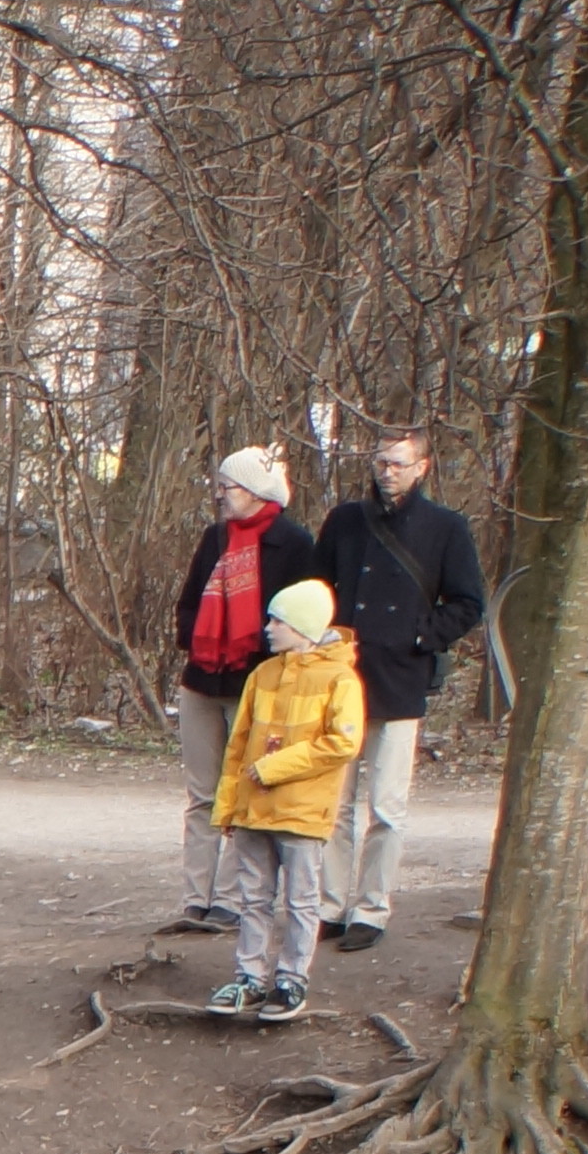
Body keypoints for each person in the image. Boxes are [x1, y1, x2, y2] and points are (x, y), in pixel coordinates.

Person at [314, 425, 488, 952]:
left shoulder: (445, 528)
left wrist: (418, 636)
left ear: (422, 467)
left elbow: (467, 602)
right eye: (381, 461)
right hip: (340, 676)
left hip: (400, 677)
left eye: (397, 463)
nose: (386, 471)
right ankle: (328, 906)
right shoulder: (345, 522)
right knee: (332, 804)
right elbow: (315, 590)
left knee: (387, 808)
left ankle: (371, 908)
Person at [164, 447, 327, 932]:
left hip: (256, 682)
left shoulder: (294, 544)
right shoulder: (214, 539)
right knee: (201, 795)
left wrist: (257, 649)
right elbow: (189, 601)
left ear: (256, 490)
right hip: (202, 678)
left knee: (243, 790)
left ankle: (232, 902)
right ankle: (195, 898)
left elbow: (303, 616)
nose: (220, 495)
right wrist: (196, 640)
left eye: (228, 486)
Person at [209, 579, 366, 1026]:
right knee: (253, 898)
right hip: (255, 811)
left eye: (278, 620)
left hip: (301, 813)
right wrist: (229, 808)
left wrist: (275, 768)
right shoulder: (263, 675)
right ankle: (249, 976)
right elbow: (238, 745)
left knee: (301, 901)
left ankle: (292, 978)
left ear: (303, 627)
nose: (269, 627)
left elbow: (342, 743)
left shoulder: (340, 678)